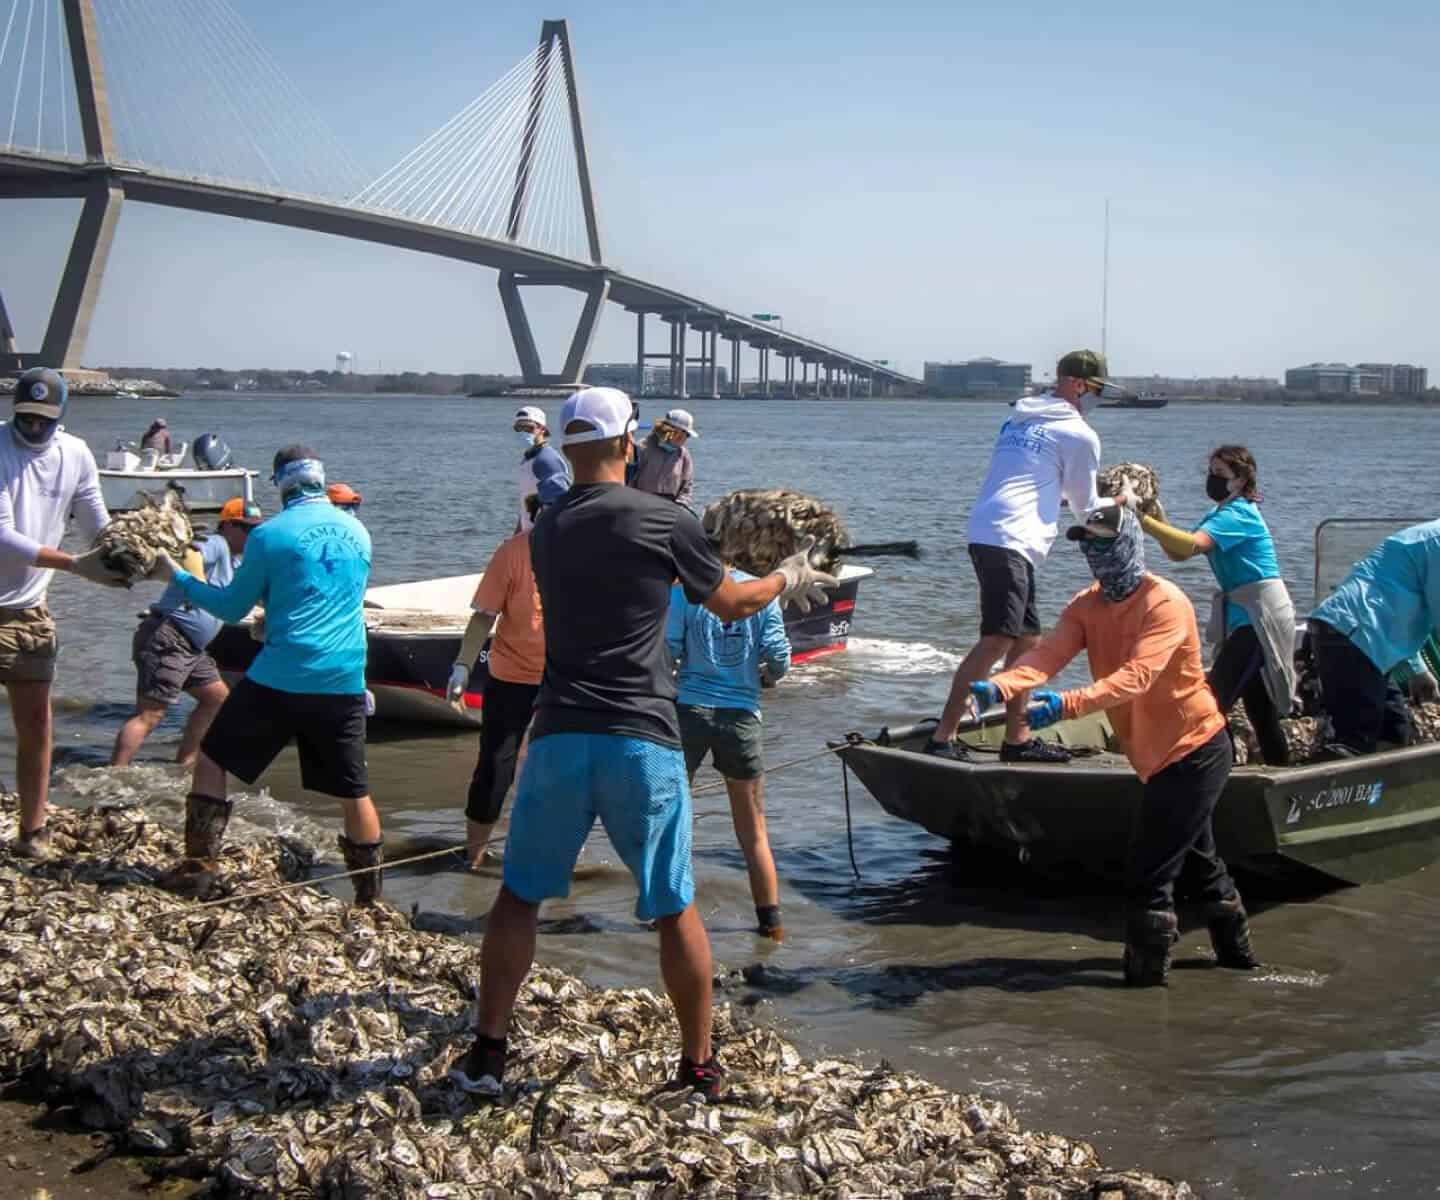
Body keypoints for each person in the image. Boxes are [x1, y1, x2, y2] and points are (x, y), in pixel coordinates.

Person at [450, 386, 835, 1100]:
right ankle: (697, 1068)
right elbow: (733, 601)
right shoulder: (665, 519)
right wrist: (790, 573)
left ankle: (488, 1051)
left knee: (518, 898)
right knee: (671, 904)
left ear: (567, 446)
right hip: (641, 738)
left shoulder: (547, 528)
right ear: (630, 444)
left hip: (559, 731)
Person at [972, 501, 1259, 985]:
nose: (1095, 553)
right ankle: (1240, 965)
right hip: (1153, 754)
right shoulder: (1088, 605)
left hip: (1195, 748)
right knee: (1202, 865)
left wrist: (1066, 707)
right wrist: (1001, 687)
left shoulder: (1165, 603)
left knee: (1149, 875)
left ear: (1127, 543)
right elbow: (1046, 656)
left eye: (1103, 542)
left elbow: (1138, 677)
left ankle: (1143, 987)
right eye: (1087, 544)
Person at [148, 445, 384, 904]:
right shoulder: (359, 531)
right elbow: (327, 597)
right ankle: (370, 899)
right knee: (354, 790)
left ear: (281, 483)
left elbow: (232, 606)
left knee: (213, 758)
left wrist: (177, 578)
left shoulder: (268, 535)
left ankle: (199, 869)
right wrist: (275, 618)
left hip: (282, 675)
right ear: (320, 479)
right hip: (345, 677)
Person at [927, 349, 1106, 764]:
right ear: (1078, 385)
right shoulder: (1079, 434)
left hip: (993, 530)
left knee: (1027, 641)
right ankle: (942, 737)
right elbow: (1088, 509)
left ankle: (1017, 739)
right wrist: (1126, 500)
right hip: (1008, 537)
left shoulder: (1019, 418)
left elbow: (1031, 479)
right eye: (1097, 389)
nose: (1099, 397)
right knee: (998, 638)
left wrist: (1056, 497)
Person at [0, 368, 128, 857]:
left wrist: (119, 554)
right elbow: (4, 538)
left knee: (37, 727)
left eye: (44, 420)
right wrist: (77, 565)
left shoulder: (74, 453)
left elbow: (94, 514)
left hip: (29, 611)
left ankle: (32, 832)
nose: (34, 429)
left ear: (62, 414)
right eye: (26, 419)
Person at [1125, 446, 1296, 765]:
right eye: (1211, 472)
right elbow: (1179, 553)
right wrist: (1157, 514)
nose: (1212, 479)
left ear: (1241, 479)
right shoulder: (1219, 515)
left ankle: (1216, 769)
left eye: (1221, 474)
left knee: (1211, 700)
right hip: (1242, 613)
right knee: (1259, 708)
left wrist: (1144, 520)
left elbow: (1190, 545)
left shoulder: (1239, 513)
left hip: (1261, 615)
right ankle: (1276, 769)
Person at [667, 558, 792, 940]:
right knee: (753, 830)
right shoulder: (761, 594)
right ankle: (770, 925)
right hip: (740, 716)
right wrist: (765, 676)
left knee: (672, 818)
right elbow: (779, 659)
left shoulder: (684, 590)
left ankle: (667, 915)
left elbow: (668, 649)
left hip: (688, 711)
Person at [446, 479, 566, 870]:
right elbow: (483, 616)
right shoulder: (512, 554)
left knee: (562, 770)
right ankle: (475, 854)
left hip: (563, 680)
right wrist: (463, 665)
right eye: (546, 511)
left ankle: (557, 853)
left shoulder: (584, 553)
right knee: (495, 768)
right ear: (535, 512)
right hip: (511, 676)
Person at [110, 497, 264, 768]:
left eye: (255, 529)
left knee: (216, 698)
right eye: (246, 528)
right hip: (168, 635)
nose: (252, 535)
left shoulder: (237, 561)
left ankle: (185, 764)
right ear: (227, 526)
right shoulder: (216, 543)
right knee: (151, 714)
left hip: (191, 648)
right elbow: (191, 555)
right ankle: (114, 774)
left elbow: (253, 590)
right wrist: (199, 584)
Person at [1307, 519, 1440, 757]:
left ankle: (1384, 791)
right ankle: (1319, 789)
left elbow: (1397, 602)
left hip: (1366, 640)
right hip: (1352, 635)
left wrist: (1417, 669)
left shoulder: (1425, 538)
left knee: (1395, 730)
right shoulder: (1437, 542)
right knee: (1357, 740)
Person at [513, 405, 570, 531]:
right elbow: (526, 505)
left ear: (542, 429)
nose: (522, 432)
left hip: (542, 538)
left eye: (528, 428)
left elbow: (559, 505)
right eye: (518, 428)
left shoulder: (547, 459)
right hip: (528, 537)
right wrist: (516, 535)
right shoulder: (527, 458)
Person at [631, 408, 697, 509]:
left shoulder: (683, 455)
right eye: (682, 434)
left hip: (671, 508)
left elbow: (687, 486)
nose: (684, 439)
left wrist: (680, 505)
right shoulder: (642, 448)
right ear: (668, 430)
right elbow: (629, 480)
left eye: (686, 436)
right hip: (640, 505)